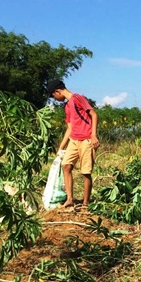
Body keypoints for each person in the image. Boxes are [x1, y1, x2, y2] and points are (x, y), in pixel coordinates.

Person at [47, 79, 99, 208]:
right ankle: (70, 199)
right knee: (66, 165)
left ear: (57, 91)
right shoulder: (67, 106)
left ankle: (85, 204)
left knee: (86, 172)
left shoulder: (78, 98)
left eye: (53, 96)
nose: (55, 98)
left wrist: (93, 135)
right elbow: (69, 128)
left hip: (86, 140)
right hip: (74, 140)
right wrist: (61, 147)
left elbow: (94, 114)